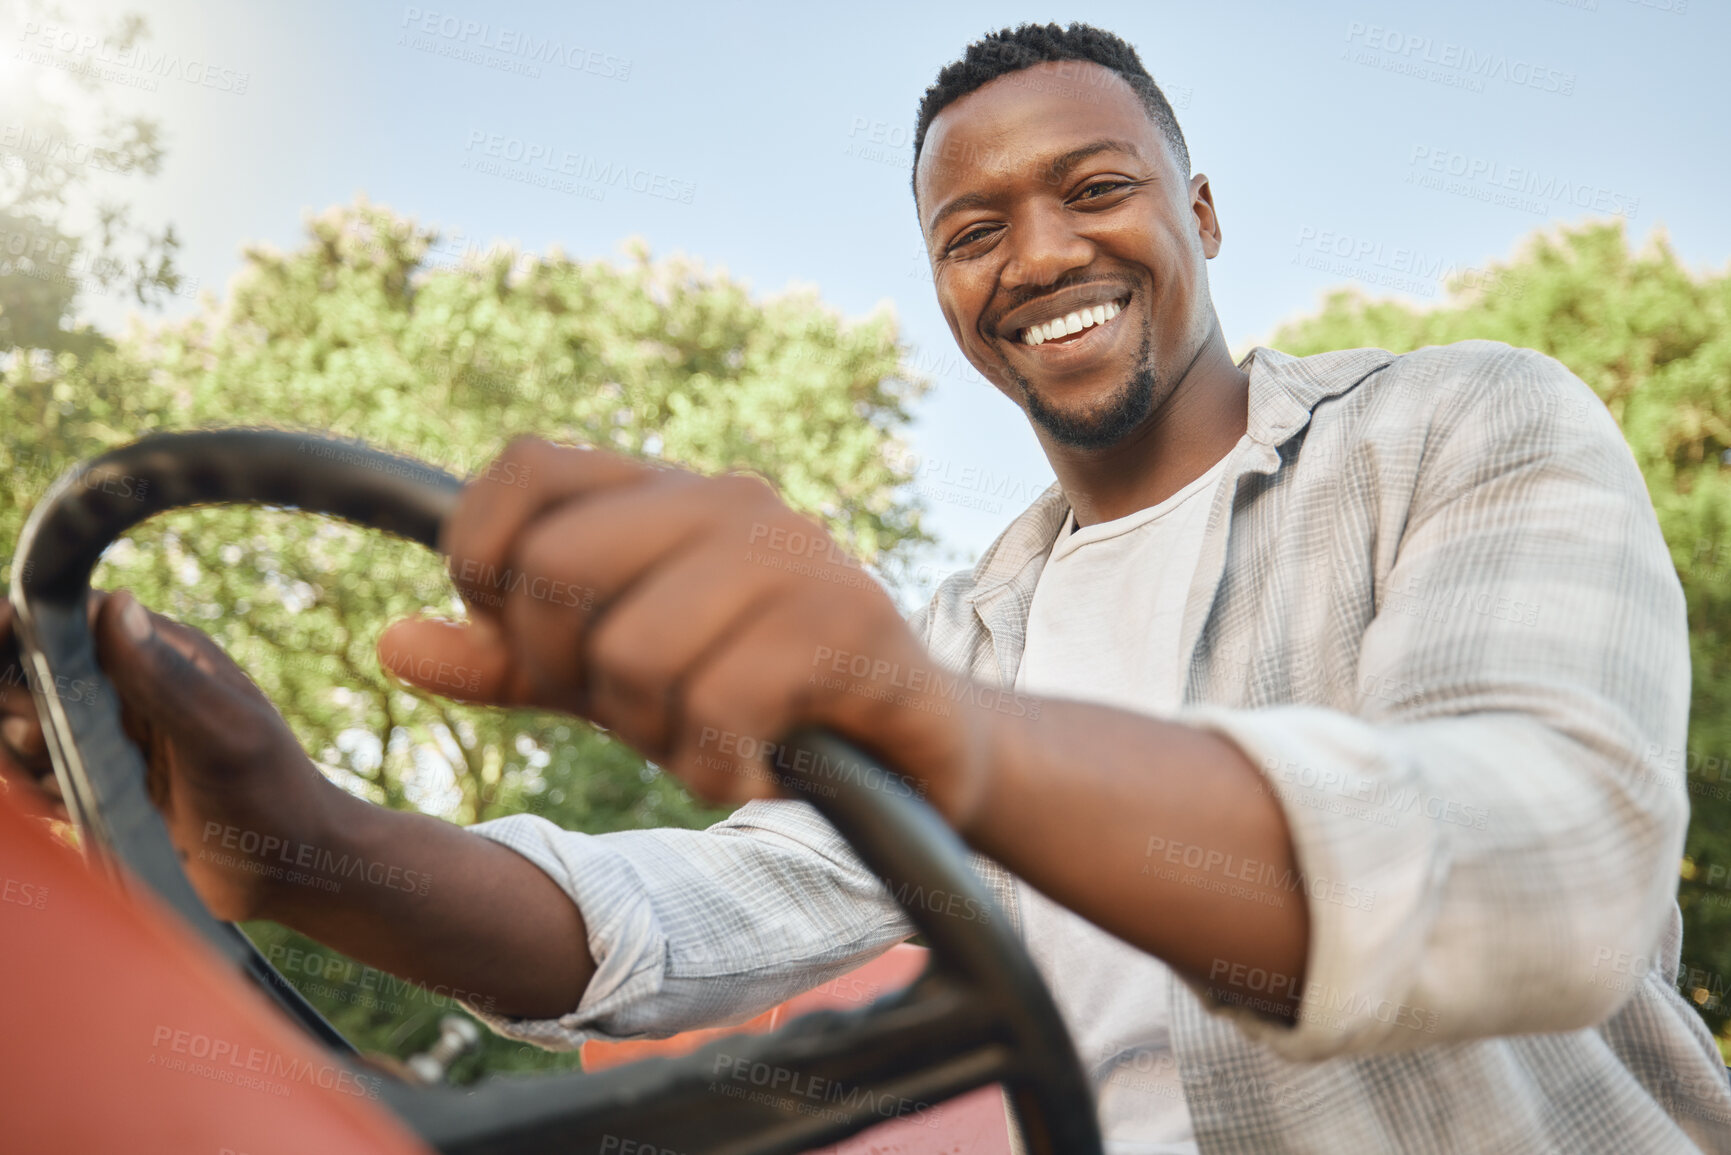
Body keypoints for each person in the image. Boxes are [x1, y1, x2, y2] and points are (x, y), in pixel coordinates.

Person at [3, 21, 1728, 1155]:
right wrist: (303, 834)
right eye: (972, 232)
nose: (1038, 254)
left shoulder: (1461, 427)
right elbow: (696, 923)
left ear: (1199, 207)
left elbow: (1550, 857)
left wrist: (935, 729)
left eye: (1095, 189)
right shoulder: (979, 631)